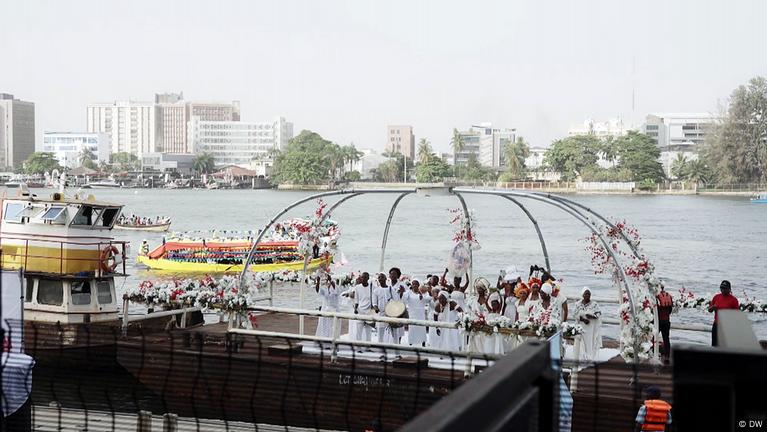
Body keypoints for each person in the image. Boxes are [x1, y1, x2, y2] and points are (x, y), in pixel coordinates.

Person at [707, 280, 739, 346]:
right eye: (721, 288)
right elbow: (709, 310)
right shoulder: (716, 297)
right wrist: (713, 307)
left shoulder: (734, 300)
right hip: (716, 325)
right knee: (714, 345)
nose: (723, 290)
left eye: (725, 288)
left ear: (729, 289)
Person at [573, 287, 602, 361]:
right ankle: (581, 358)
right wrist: (583, 319)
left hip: (591, 329)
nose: (588, 295)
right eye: (586, 294)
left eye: (589, 294)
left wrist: (592, 316)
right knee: (581, 343)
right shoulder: (578, 304)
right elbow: (575, 314)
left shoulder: (594, 304)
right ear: (582, 295)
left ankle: (589, 358)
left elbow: (599, 313)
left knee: (590, 343)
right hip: (581, 327)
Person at [402, 279, 429, 346]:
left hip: (420, 313)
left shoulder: (423, 293)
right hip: (412, 313)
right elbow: (404, 300)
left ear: (418, 285)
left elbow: (427, 300)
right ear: (411, 285)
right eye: (413, 284)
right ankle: (411, 342)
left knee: (421, 328)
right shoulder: (408, 293)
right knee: (412, 328)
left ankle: (423, 342)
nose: (414, 285)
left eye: (416, 284)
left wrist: (422, 297)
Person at [314, 273, 340, 340]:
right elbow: (317, 290)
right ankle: (324, 340)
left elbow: (335, 289)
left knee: (332, 327)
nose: (328, 282)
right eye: (327, 281)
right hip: (325, 310)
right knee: (324, 326)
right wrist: (318, 282)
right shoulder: (324, 288)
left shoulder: (335, 288)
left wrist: (331, 280)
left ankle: (332, 341)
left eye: (329, 281)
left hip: (334, 310)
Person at [371, 273, 394, 343]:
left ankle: (388, 346)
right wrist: (376, 308)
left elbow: (395, 300)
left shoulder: (390, 289)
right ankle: (380, 347)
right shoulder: (376, 291)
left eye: (382, 277)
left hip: (389, 314)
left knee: (389, 333)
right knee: (380, 332)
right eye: (379, 278)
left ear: (386, 279)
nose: (380, 279)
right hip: (380, 314)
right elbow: (374, 303)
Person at [352, 272, 374, 343]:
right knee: (359, 330)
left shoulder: (372, 287)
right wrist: (355, 309)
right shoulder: (357, 287)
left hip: (369, 312)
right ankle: (358, 348)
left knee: (368, 331)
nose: (363, 279)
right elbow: (356, 300)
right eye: (362, 277)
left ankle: (368, 347)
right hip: (360, 311)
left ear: (368, 278)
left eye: (365, 277)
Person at [656, 284, 673, 362]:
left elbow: (655, 310)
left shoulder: (656, 297)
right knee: (666, 339)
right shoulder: (669, 296)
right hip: (666, 320)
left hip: (658, 321)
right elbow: (670, 310)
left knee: (653, 337)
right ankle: (667, 356)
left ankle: (653, 353)